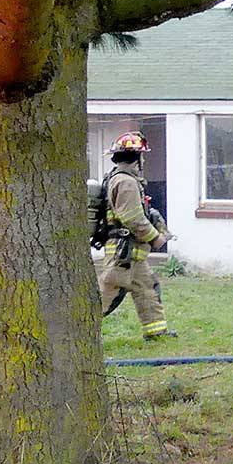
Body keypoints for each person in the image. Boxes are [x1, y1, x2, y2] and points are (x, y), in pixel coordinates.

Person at [98, 131, 176, 340]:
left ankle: (156, 332)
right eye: (142, 156)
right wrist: (155, 237)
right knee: (106, 296)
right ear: (136, 158)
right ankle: (76, 332)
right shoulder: (126, 182)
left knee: (147, 287)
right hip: (124, 253)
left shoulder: (119, 179)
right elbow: (132, 218)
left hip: (132, 253)